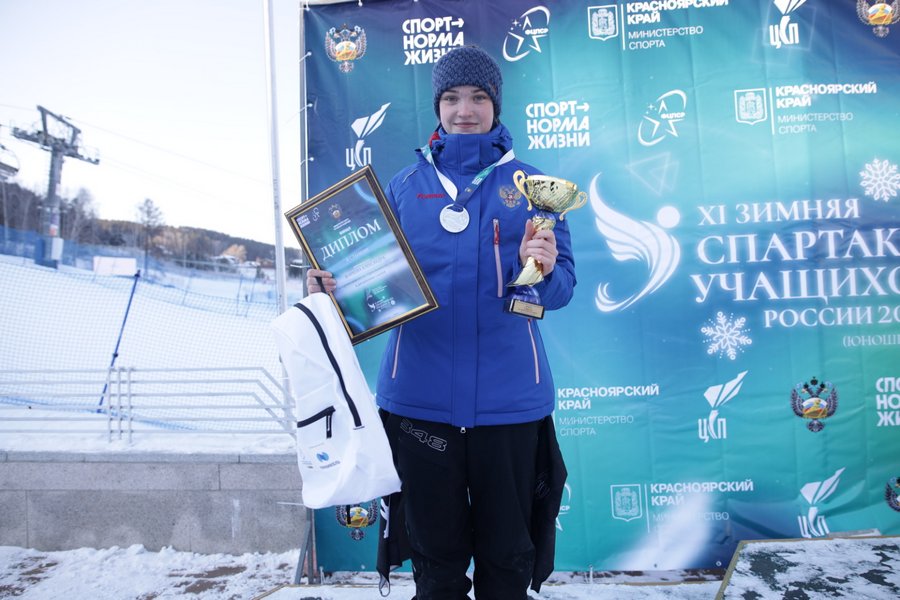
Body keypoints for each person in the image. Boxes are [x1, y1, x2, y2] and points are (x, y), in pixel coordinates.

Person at [307, 44, 575, 600]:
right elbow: (367, 281)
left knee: (508, 558)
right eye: (452, 98)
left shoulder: (533, 187)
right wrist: (332, 290)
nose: (464, 110)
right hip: (418, 402)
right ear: (438, 106)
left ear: (496, 105)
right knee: (435, 562)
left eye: (478, 97)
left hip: (509, 402)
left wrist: (546, 269)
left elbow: (562, 289)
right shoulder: (405, 187)